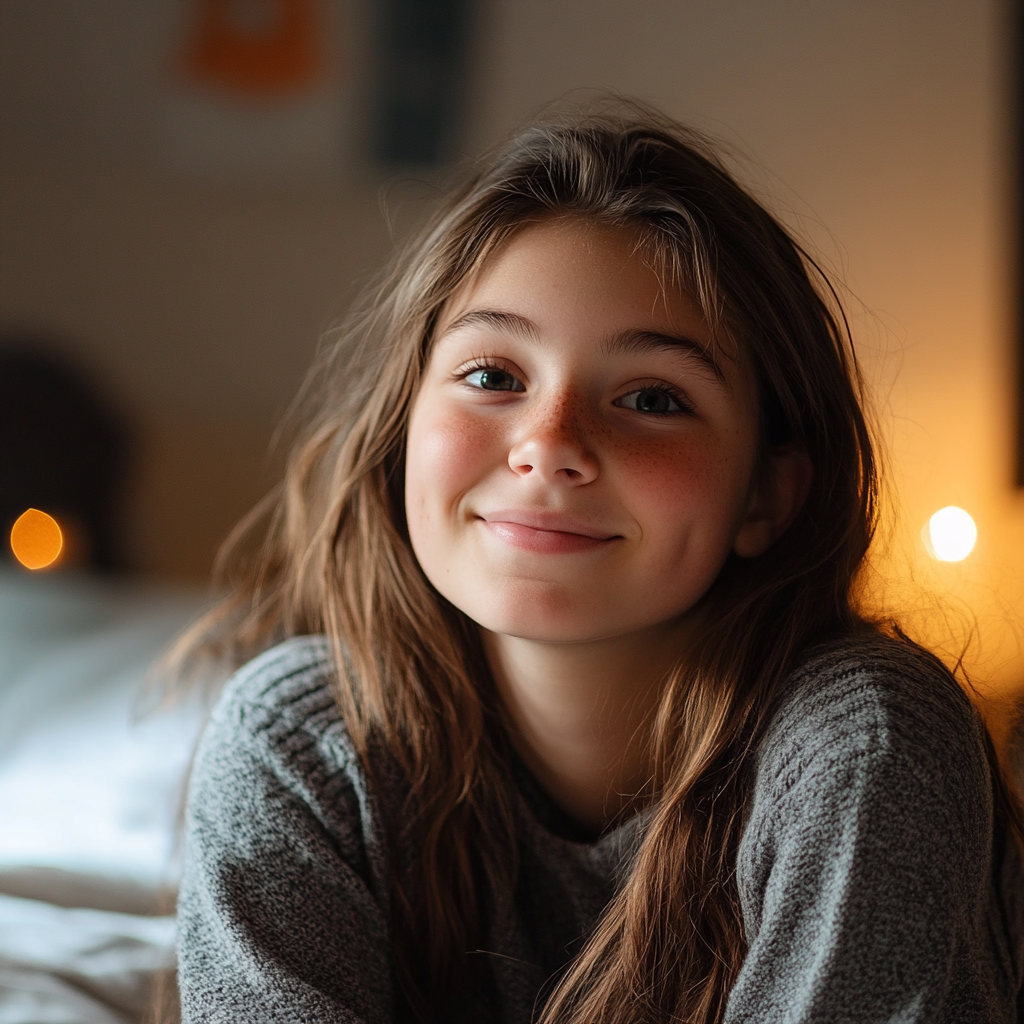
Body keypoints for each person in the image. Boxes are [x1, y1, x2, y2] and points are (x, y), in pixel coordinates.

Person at [174, 101, 1024, 1023]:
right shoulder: (299, 745)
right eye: (493, 376)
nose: (549, 445)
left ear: (766, 496)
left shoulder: (864, 749)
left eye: (653, 397)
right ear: (404, 431)